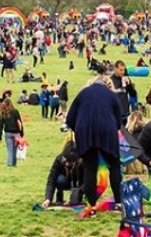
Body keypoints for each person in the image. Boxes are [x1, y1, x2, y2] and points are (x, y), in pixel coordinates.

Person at [64, 75, 123, 212]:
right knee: (114, 166)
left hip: (84, 132)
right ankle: (119, 202)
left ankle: (92, 205)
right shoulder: (111, 95)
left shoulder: (82, 93)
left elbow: (70, 118)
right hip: (107, 131)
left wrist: (77, 129)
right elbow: (119, 120)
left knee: (90, 168)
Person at [41, 140, 84, 207]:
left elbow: (88, 182)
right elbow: (51, 180)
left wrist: (74, 196)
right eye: (66, 160)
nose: (67, 163)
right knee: (60, 180)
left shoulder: (83, 162)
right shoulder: (59, 160)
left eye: (70, 162)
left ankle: (80, 198)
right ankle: (59, 197)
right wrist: (48, 198)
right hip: (65, 182)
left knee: (75, 200)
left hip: (79, 184)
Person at [0, 98, 24, 167]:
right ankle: (14, 164)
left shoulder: (3, 112)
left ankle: (9, 164)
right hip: (16, 133)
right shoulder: (15, 111)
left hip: (8, 133)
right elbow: (19, 123)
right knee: (15, 150)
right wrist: (21, 133)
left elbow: (0, 126)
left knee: (9, 150)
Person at [111, 60, 133, 125]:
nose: (122, 72)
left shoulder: (126, 79)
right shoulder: (110, 80)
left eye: (124, 70)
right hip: (114, 113)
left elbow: (133, 94)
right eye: (120, 70)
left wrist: (129, 85)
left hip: (125, 112)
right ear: (115, 69)